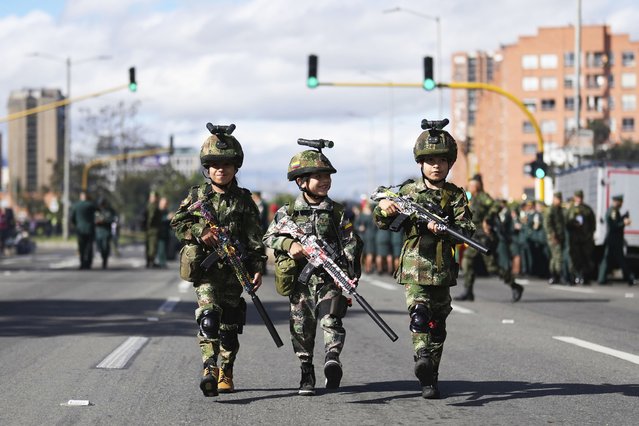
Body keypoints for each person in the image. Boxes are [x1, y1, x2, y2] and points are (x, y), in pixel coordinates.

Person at [373, 122, 474, 399]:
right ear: (420, 162)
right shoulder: (407, 193)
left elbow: (467, 231)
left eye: (442, 160)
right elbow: (382, 220)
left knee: (438, 325)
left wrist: (445, 229)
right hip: (415, 267)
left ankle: (431, 377)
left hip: (442, 269)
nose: (436, 166)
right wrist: (384, 207)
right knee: (419, 314)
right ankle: (421, 356)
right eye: (430, 160)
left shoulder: (455, 196)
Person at [170, 128, 266, 397]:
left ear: (236, 167)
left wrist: (257, 267)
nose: (220, 170)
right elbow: (178, 222)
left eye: (226, 165)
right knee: (209, 316)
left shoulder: (245, 200)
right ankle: (209, 368)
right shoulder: (197, 196)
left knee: (230, 328)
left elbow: (255, 237)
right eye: (214, 165)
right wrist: (201, 231)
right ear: (206, 168)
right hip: (207, 270)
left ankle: (227, 369)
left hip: (235, 272)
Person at [263, 147, 362, 396]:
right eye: (319, 176)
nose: (325, 181)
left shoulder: (337, 212)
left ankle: (332, 358)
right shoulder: (288, 213)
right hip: (300, 282)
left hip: (330, 278)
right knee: (302, 327)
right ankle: (306, 371)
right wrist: (290, 244)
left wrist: (350, 273)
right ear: (302, 181)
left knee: (332, 320)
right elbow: (269, 237)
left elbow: (351, 243)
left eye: (328, 176)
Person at [456, 175, 524, 302]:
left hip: (484, 237)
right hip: (475, 237)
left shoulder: (483, 197)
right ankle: (468, 291)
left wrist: (487, 219)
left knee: (492, 267)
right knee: (467, 261)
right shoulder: (473, 199)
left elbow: (497, 205)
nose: (469, 187)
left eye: (471, 185)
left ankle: (515, 286)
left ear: (477, 186)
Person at [598, 195, 635, 286]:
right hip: (614, 240)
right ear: (617, 202)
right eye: (620, 202)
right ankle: (630, 277)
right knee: (619, 259)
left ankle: (602, 278)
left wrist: (623, 217)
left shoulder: (614, 211)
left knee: (608, 259)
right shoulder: (613, 211)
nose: (621, 204)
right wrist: (624, 222)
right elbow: (614, 226)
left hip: (613, 240)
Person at [565, 190, 596, 285]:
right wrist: (573, 224)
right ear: (574, 197)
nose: (579, 199)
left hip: (585, 239)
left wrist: (590, 235)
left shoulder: (587, 209)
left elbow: (592, 223)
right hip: (574, 239)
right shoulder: (570, 209)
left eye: (580, 197)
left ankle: (583, 277)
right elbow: (566, 223)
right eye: (577, 197)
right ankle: (574, 276)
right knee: (575, 259)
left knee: (585, 258)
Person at [71, 191, 96, 270]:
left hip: (80, 229)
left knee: (81, 247)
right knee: (89, 247)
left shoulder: (76, 205)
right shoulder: (90, 205)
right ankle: (88, 263)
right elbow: (98, 210)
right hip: (89, 228)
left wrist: (77, 225)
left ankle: (82, 263)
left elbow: (72, 218)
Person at [545, 192, 566, 284]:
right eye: (558, 199)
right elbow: (548, 224)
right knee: (558, 256)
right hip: (553, 237)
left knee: (554, 257)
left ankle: (554, 276)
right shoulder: (550, 210)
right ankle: (558, 274)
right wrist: (553, 236)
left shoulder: (560, 209)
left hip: (560, 236)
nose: (559, 201)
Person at [95, 197, 117, 269]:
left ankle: (104, 260)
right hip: (98, 232)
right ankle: (102, 256)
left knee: (105, 247)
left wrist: (105, 221)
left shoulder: (109, 211)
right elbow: (93, 219)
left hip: (106, 232)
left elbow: (113, 219)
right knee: (100, 247)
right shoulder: (97, 211)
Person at [145, 190, 162, 268]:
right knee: (152, 246)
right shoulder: (153, 206)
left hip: (149, 229)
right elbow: (151, 218)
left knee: (149, 245)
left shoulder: (148, 205)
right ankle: (151, 261)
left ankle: (149, 262)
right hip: (153, 229)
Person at [155, 196, 171, 268]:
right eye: (164, 203)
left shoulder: (166, 211)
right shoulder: (157, 211)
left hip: (166, 233)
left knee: (165, 249)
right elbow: (157, 221)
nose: (165, 205)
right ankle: (161, 263)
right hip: (159, 233)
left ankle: (163, 262)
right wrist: (167, 218)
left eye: (166, 203)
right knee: (161, 249)